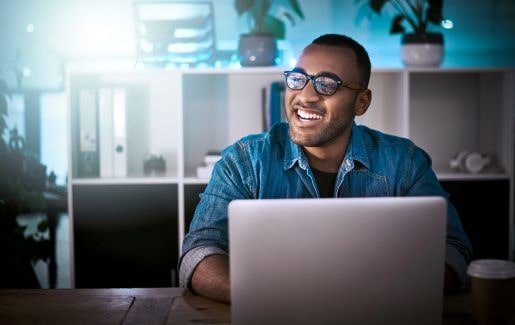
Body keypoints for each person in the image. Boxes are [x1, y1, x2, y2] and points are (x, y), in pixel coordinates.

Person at [179, 34, 473, 304]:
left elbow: (454, 250)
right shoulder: (243, 161)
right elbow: (198, 252)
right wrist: (261, 295)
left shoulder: (405, 162)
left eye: (327, 84)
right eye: (298, 79)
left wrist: (381, 294)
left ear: (361, 102)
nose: (305, 96)